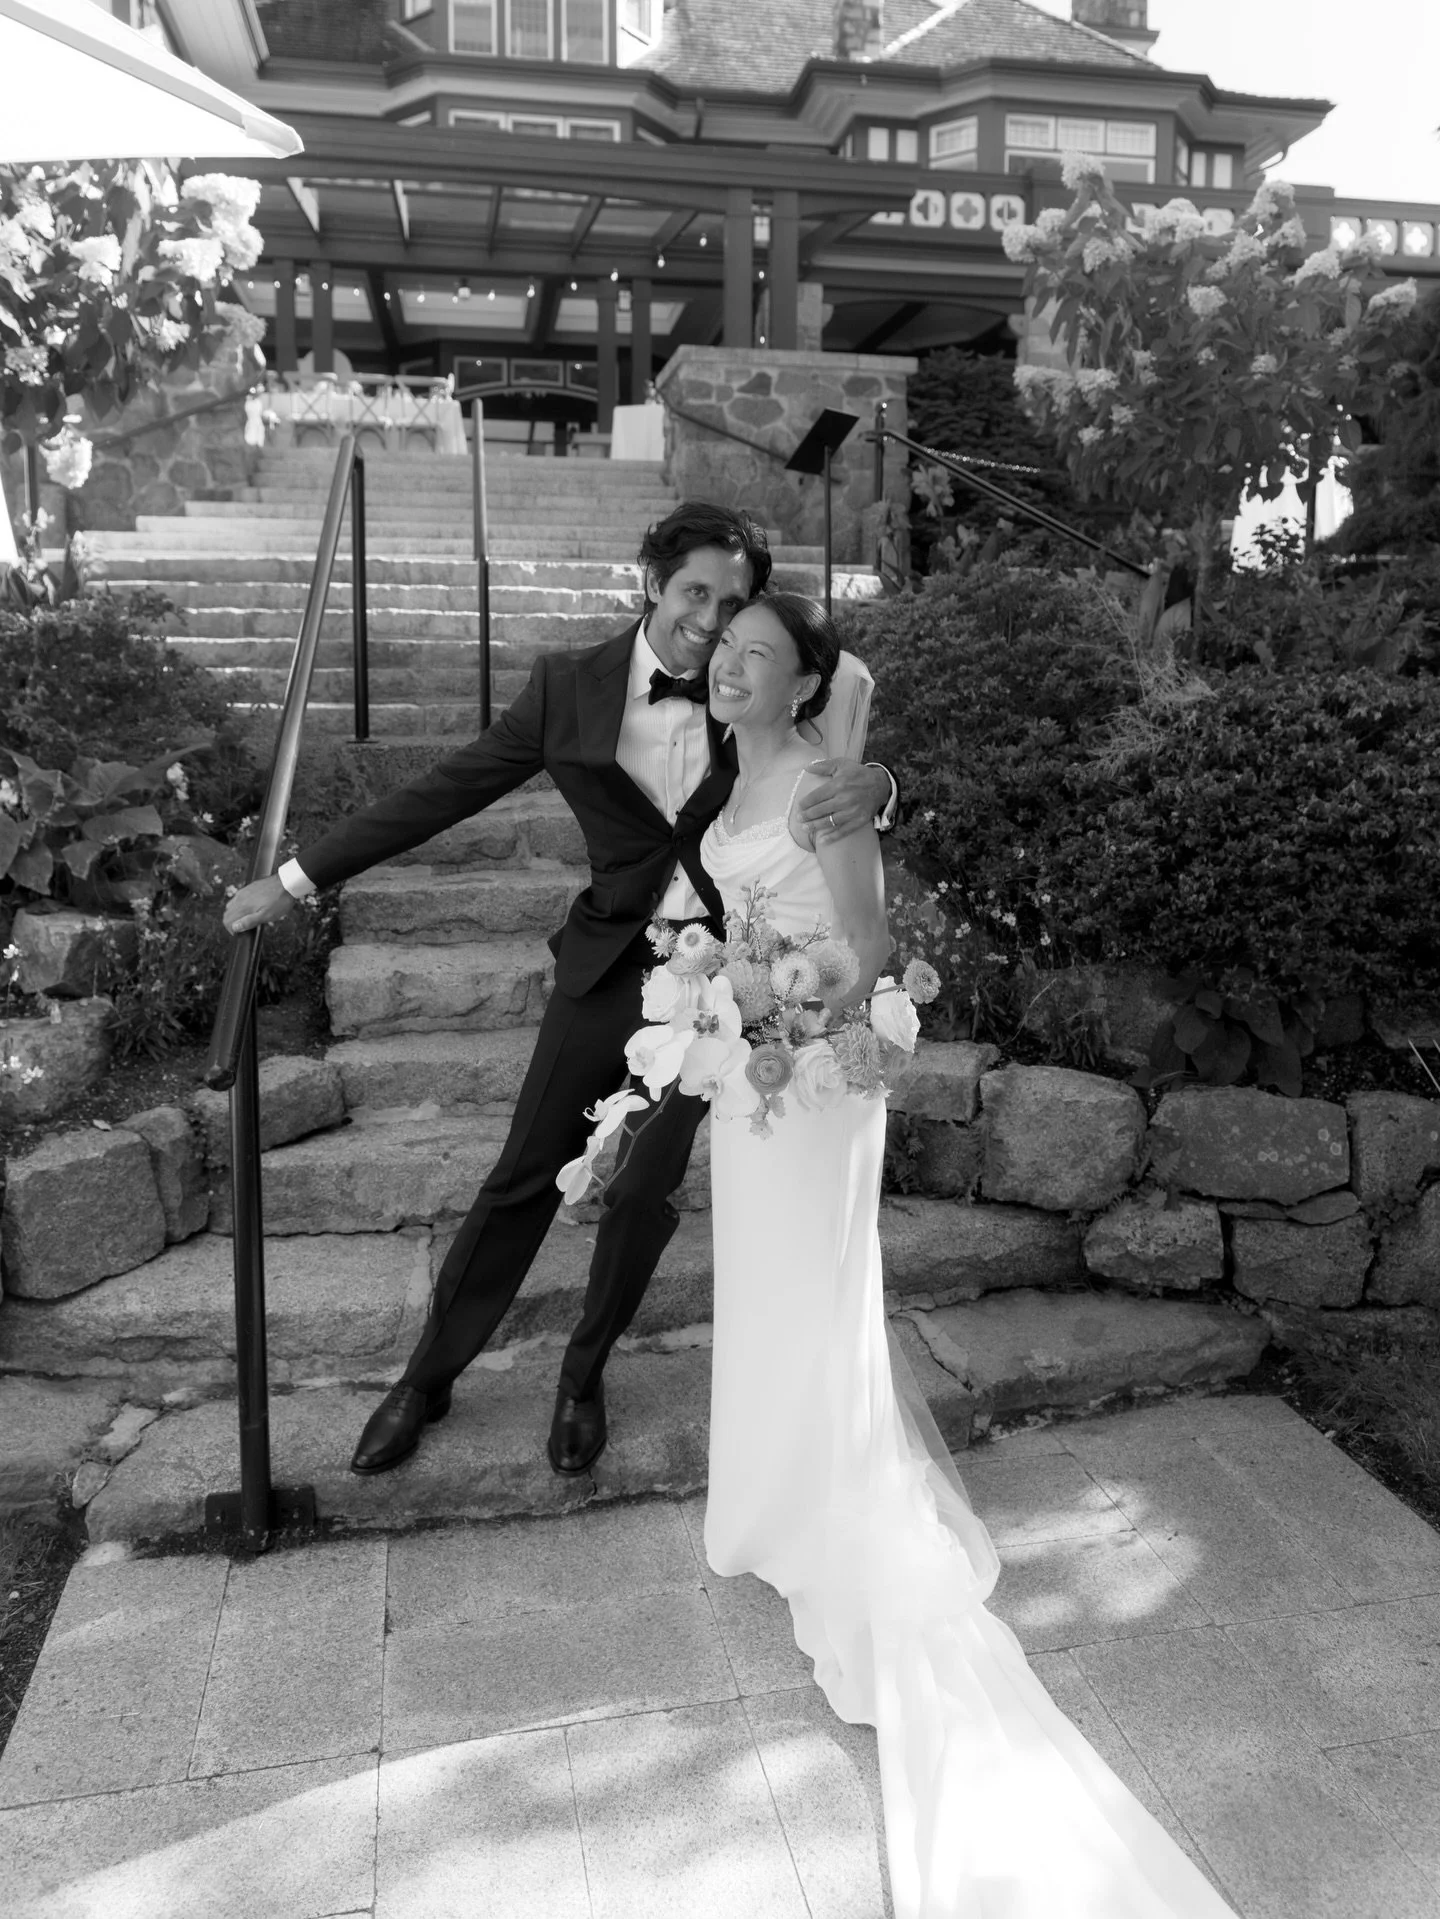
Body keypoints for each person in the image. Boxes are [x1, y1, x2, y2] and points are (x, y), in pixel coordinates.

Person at [695, 593, 1240, 1919]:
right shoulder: (732, 769)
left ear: (805, 679)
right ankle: (772, 1488)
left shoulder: (828, 786)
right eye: (721, 650)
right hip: (750, 1062)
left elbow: (870, 947)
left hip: (817, 1068)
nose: (727, 665)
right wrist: (718, 979)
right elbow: (747, 900)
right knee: (765, 1293)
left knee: (816, 1288)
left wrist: (783, 1001)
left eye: (756, 655)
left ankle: (832, 1504)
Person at [223, 503, 895, 1478]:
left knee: (642, 1190)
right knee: (524, 1172)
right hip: (608, 962)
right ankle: (427, 1376)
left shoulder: (748, 678)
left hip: (728, 983)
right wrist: (292, 881)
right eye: (696, 593)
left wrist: (880, 781)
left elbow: (828, 753)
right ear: (651, 584)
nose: (713, 623)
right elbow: (443, 789)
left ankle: (583, 1373)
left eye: (734, 601)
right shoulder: (567, 688)